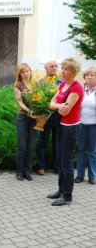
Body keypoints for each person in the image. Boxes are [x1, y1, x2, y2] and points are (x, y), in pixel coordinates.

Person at [47, 57, 83, 206]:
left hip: (71, 128)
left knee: (66, 162)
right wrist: (58, 105)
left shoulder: (76, 87)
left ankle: (67, 196)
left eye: (65, 68)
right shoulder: (62, 85)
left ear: (73, 71)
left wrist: (58, 105)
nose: (62, 71)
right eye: (62, 68)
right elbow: (51, 104)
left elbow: (66, 111)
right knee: (60, 161)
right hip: (61, 126)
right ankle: (61, 190)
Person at [36, 60, 63, 175]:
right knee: (43, 141)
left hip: (58, 115)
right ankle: (41, 166)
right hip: (45, 115)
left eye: (56, 66)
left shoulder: (62, 82)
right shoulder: (40, 82)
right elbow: (36, 98)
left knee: (57, 142)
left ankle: (57, 166)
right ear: (46, 69)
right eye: (52, 66)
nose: (54, 68)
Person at [13, 63, 37, 181]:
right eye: (23, 72)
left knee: (30, 146)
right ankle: (19, 172)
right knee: (22, 146)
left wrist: (39, 111)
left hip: (34, 119)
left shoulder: (35, 84)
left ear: (30, 72)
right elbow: (19, 102)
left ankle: (28, 172)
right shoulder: (18, 85)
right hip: (23, 117)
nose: (26, 73)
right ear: (19, 74)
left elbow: (41, 99)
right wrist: (29, 111)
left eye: (27, 71)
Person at [75, 67, 96, 185]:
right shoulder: (81, 90)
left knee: (93, 151)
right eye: (87, 75)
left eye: (92, 75)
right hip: (81, 124)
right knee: (81, 150)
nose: (89, 77)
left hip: (94, 125)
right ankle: (80, 175)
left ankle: (92, 176)